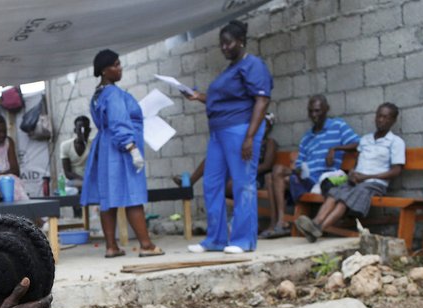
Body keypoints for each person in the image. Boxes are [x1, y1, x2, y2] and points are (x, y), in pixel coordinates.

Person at [184, 20, 271, 254]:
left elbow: (261, 101)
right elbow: (223, 99)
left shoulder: (253, 65)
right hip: (219, 133)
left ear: (241, 41)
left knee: (243, 183)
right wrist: (197, 96)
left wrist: (250, 138)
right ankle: (216, 239)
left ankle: (243, 240)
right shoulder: (230, 69)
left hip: (241, 129)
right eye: (221, 44)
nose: (224, 47)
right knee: (212, 182)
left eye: (228, 43)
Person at [80, 49, 163, 258]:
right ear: (105, 71)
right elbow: (118, 123)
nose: (120, 68)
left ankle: (111, 246)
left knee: (108, 198)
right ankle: (146, 245)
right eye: (116, 65)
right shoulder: (114, 94)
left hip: (105, 148)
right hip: (121, 150)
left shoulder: (98, 95)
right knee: (132, 195)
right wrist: (132, 149)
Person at [295, 103, 405, 242]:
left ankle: (319, 229)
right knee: (335, 193)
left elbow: (396, 171)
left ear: (393, 121)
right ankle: (315, 223)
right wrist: (352, 173)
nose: (381, 120)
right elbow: (357, 163)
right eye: (379, 116)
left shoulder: (395, 142)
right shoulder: (365, 139)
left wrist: (368, 176)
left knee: (344, 200)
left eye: (386, 117)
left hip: (374, 184)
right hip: (357, 180)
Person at [264, 95, 359, 238]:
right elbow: (300, 163)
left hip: (325, 180)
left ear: (326, 110)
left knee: (276, 172)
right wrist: (298, 169)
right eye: (311, 112)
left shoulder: (338, 125)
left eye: (317, 111)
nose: (314, 115)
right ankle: (278, 223)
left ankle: (279, 223)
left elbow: (358, 143)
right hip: (307, 179)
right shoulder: (307, 137)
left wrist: (335, 149)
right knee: (271, 176)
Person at [174, 112, 278, 198]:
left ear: (269, 128)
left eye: (265, 126)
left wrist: (243, 170)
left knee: (231, 184)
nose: (262, 128)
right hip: (237, 171)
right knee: (212, 160)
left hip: (256, 177)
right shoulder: (247, 141)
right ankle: (190, 182)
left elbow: (266, 165)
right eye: (259, 125)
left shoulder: (269, 143)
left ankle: (236, 216)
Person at [60, 116, 92, 189]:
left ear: (89, 130)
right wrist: (84, 180)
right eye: (80, 129)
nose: (82, 133)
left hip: (90, 180)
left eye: (85, 129)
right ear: (75, 130)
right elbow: (67, 173)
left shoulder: (93, 145)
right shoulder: (65, 146)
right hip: (73, 181)